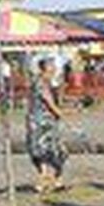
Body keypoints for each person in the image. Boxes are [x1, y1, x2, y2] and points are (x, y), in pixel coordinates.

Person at [26, 58, 67, 192]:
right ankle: (51, 179)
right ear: (45, 68)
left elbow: (55, 99)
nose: (55, 68)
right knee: (53, 151)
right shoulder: (41, 83)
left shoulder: (44, 81)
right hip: (42, 123)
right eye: (52, 66)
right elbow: (49, 101)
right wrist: (60, 113)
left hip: (39, 122)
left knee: (43, 152)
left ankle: (50, 180)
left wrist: (61, 88)